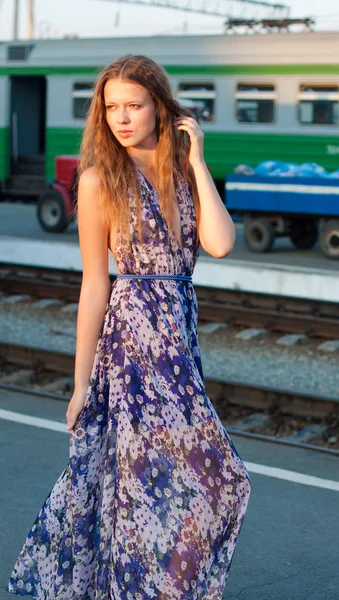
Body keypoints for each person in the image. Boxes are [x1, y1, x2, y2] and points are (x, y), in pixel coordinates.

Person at [6, 54, 251, 599]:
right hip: (131, 342)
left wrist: (200, 160)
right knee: (141, 486)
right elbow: (95, 286)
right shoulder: (97, 180)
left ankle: (156, 587)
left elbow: (220, 243)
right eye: (111, 107)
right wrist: (78, 386)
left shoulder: (183, 170)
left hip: (178, 338)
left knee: (211, 482)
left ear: (160, 108)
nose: (121, 117)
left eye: (134, 105)